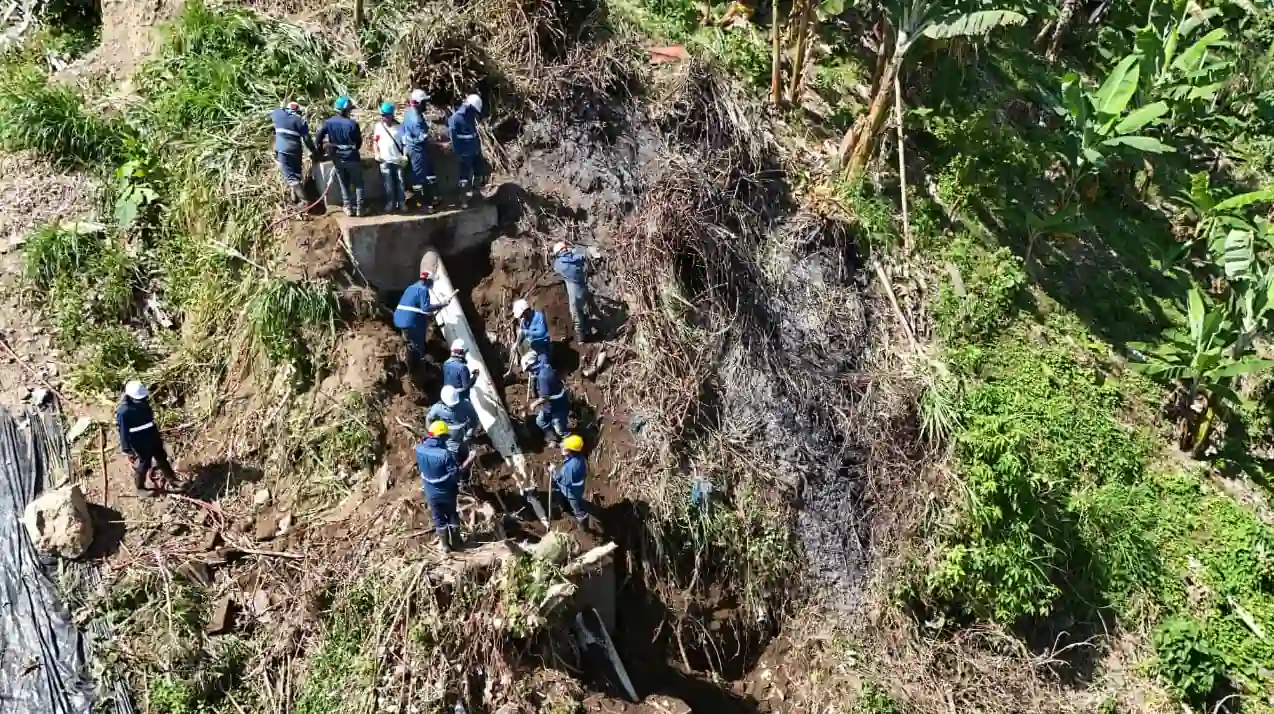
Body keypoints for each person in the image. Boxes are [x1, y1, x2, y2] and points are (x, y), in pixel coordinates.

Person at [116, 380, 177, 498]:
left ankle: (173, 481)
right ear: (129, 397)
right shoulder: (123, 412)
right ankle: (140, 488)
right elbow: (123, 431)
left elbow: (150, 421)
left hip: (152, 435)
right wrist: (127, 449)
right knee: (145, 463)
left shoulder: (144, 404)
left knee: (162, 458)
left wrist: (157, 436)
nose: (141, 400)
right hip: (138, 440)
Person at [417, 421, 462, 552]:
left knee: (438, 517)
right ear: (441, 436)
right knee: (452, 514)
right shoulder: (444, 454)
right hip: (447, 492)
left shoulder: (419, 449)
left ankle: (445, 546)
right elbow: (454, 473)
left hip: (430, 492)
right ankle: (457, 543)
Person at [316, 95, 364, 216]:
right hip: (352, 157)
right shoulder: (353, 124)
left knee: (344, 183)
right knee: (358, 183)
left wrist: (320, 150)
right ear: (346, 110)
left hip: (337, 158)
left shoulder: (328, 122)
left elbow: (318, 136)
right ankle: (360, 208)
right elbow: (358, 143)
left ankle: (348, 207)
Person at [393, 270, 450, 365]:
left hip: (398, 319)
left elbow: (413, 305)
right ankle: (419, 362)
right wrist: (441, 304)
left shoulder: (410, 287)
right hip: (410, 321)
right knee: (418, 343)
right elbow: (425, 308)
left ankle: (405, 354)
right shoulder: (423, 289)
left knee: (408, 339)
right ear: (428, 281)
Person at [269, 101, 318, 204]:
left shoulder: (278, 114)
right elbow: (307, 139)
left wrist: (282, 107)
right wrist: (313, 150)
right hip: (296, 151)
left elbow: (275, 111)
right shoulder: (300, 121)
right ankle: (294, 198)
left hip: (283, 151)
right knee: (296, 174)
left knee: (291, 177)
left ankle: (305, 202)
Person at [447, 93, 484, 207]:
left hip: (474, 151)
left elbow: (473, 134)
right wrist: (458, 153)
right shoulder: (456, 119)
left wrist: (478, 149)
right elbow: (453, 138)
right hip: (464, 153)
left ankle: (476, 195)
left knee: (479, 172)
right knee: (464, 177)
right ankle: (463, 199)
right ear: (469, 107)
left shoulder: (470, 117)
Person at [551, 241, 593, 342]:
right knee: (585, 310)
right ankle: (588, 332)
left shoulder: (559, 264)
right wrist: (573, 251)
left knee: (576, 313)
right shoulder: (577, 258)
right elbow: (582, 254)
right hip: (583, 287)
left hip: (573, 291)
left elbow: (555, 268)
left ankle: (581, 339)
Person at [402, 89, 436, 209]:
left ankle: (429, 198)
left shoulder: (408, 112)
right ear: (418, 103)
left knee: (426, 175)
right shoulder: (416, 119)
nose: (426, 105)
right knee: (419, 177)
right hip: (417, 150)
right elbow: (424, 137)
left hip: (412, 147)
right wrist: (441, 144)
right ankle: (422, 204)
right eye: (424, 102)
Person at [527, 352, 569, 445]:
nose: (528, 372)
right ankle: (553, 438)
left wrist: (534, 404)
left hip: (558, 406)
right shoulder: (544, 366)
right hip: (548, 406)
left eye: (528, 369)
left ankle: (568, 442)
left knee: (560, 429)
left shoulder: (543, 376)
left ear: (532, 365)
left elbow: (544, 397)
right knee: (540, 421)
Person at [373, 102, 407, 213]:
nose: (383, 117)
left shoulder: (400, 127)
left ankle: (401, 203)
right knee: (388, 185)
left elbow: (404, 144)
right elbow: (375, 141)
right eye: (382, 115)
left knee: (401, 183)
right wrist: (376, 153)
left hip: (397, 160)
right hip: (385, 160)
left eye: (385, 115)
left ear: (391, 115)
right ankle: (390, 203)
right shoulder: (378, 127)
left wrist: (404, 155)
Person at [443, 339, 482, 436]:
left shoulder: (446, 364)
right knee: (472, 419)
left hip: (446, 396)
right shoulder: (462, 368)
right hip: (460, 398)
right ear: (462, 353)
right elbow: (466, 386)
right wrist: (475, 377)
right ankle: (467, 436)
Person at [552, 434, 588, 525]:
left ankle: (580, 516)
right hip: (578, 487)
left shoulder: (569, 468)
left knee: (574, 503)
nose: (562, 447)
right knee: (577, 499)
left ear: (571, 450)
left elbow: (563, 481)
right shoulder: (580, 458)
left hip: (570, 491)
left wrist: (554, 471)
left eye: (565, 447)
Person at [427, 385, 472, 450]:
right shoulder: (438, 408)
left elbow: (473, 419)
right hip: (444, 431)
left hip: (459, 432)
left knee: (455, 449)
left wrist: (468, 434)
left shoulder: (465, 405)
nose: (452, 407)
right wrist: (431, 434)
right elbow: (428, 418)